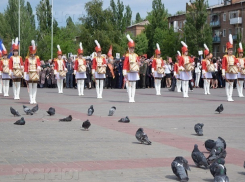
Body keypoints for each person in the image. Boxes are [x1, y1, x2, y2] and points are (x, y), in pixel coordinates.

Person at [123, 34, 140, 103]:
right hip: (129, 71)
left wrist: (139, 64)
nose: (132, 49)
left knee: (134, 85)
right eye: (131, 48)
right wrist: (124, 72)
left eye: (133, 48)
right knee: (129, 85)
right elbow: (125, 64)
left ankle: (133, 97)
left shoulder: (136, 55)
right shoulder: (127, 55)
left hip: (135, 72)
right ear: (129, 48)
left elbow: (138, 63)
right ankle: (130, 97)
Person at [222, 34, 239, 102]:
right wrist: (223, 72)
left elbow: (236, 62)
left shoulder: (234, 57)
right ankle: (228, 96)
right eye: (229, 50)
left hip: (233, 71)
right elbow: (223, 65)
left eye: (231, 50)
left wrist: (237, 64)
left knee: (232, 84)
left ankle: (231, 96)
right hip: (227, 72)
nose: (231, 51)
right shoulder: (225, 57)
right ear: (227, 50)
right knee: (227, 84)